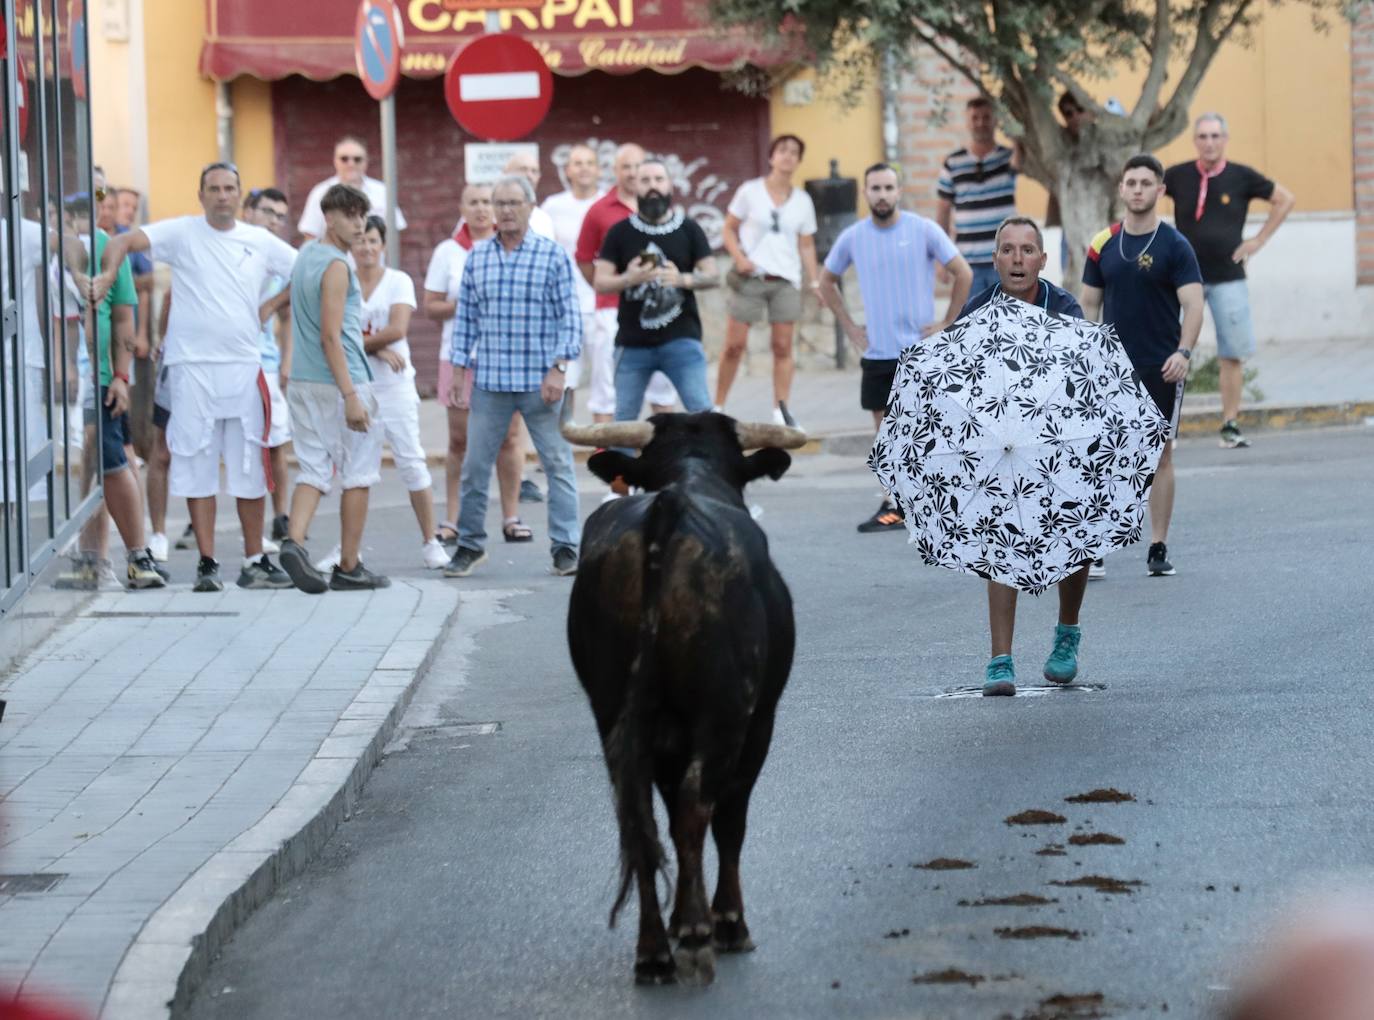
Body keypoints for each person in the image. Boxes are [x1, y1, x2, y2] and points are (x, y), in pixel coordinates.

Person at [96, 162, 297, 592]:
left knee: (249, 467)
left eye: (230, 188)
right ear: (201, 194)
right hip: (191, 369)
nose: (223, 195)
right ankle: (208, 563)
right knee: (195, 462)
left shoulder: (259, 241)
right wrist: (111, 271)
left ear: (240, 195)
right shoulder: (182, 233)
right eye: (214, 189)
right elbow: (124, 239)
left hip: (244, 368)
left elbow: (309, 273)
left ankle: (254, 560)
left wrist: (272, 304)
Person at [955, 217, 1087, 696]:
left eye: (1027, 250)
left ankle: (1067, 633)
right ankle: (1000, 660)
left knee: (1077, 535)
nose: (1016, 258)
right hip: (1001, 446)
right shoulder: (976, 311)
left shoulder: (1065, 308)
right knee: (999, 544)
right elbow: (960, 382)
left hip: (1059, 441)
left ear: (1042, 260)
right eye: (1007, 250)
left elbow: (1082, 378)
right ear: (994, 260)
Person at [817, 162, 973, 533]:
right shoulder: (853, 237)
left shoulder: (923, 230)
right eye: (875, 188)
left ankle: (939, 504)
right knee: (886, 435)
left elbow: (963, 273)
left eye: (889, 188)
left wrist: (949, 322)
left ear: (899, 192)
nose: (882, 195)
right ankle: (894, 506)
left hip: (920, 354)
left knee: (928, 432)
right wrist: (851, 327)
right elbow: (826, 282)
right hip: (878, 355)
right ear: (865, 193)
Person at [444, 175, 582, 579]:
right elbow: (466, 319)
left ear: (529, 207)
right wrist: (457, 371)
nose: (504, 210)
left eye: (512, 203)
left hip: (541, 383)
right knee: (473, 467)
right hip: (490, 382)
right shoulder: (478, 256)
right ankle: (469, 546)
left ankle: (565, 546)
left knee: (558, 466)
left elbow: (569, 319)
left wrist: (559, 369)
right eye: (498, 202)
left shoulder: (552, 256)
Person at [1080, 154, 1205, 579]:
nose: (1137, 189)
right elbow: (1088, 305)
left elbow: (1193, 304)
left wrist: (1183, 353)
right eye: (1130, 182)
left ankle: (1157, 545)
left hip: (1160, 366)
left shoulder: (1175, 246)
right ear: (1121, 189)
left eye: (1145, 183)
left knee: (1159, 457)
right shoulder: (1102, 243)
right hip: (1111, 370)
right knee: (1102, 456)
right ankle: (1095, 545)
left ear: (1159, 191)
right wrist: (1087, 353)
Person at [278, 184, 389, 593]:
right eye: (350, 216)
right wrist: (351, 396)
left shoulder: (306, 255)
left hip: (304, 380)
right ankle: (349, 565)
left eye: (362, 215)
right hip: (340, 379)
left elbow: (294, 311)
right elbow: (331, 336)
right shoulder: (337, 266)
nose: (359, 224)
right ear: (329, 217)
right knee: (358, 473)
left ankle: (294, 542)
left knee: (312, 468)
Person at [1164, 113, 1296, 449]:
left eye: (1215, 136)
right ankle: (1167, 427)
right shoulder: (1178, 175)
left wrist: (1258, 241)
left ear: (1225, 139)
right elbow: (1144, 197)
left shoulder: (1241, 176)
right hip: (1184, 279)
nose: (1209, 142)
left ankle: (1230, 425)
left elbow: (1286, 199)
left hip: (1228, 276)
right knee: (1171, 352)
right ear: (1195, 141)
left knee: (1232, 353)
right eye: (1203, 136)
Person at [64, 201, 165, 589]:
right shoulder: (58, 250)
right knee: (97, 465)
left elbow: (124, 315)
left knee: (112, 464)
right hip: (75, 377)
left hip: (102, 378)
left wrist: (120, 376)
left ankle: (137, 558)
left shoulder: (110, 249)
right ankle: (93, 560)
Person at [423, 184, 527, 545]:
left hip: (505, 355)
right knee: (459, 441)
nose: (482, 209)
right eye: (474, 202)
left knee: (509, 438)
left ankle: (511, 516)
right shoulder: (448, 252)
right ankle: (453, 518)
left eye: (488, 202)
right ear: (462, 208)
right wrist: (467, 303)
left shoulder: (512, 248)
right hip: (459, 356)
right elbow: (431, 306)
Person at [345, 215, 448, 569]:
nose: (367, 247)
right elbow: (334, 336)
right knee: (357, 467)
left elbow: (397, 329)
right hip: (357, 386)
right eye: (360, 240)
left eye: (373, 240)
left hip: (395, 387)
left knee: (411, 461)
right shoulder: (343, 282)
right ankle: (349, 551)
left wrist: (364, 344)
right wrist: (374, 349)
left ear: (383, 245)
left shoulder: (398, 281)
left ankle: (431, 541)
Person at [593, 158, 718, 422]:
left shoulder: (689, 229)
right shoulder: (619, 232)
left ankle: (712, 464)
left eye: (659, 180)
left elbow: (713, 276)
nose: (653, 187)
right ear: (635, 187)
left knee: (703, 413)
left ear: (670, 185)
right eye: (645, 180)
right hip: (632, 344)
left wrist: (682, 279)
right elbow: (600, 281)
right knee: (624, 422)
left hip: (682, 340)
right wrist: (629, 277)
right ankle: (620, 465)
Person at [715, 134, 820, 427]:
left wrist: (814, 282)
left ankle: (780, 410)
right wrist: (738, 257)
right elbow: (728, 228)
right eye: (782, 150)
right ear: (771, 157)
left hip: (785, 279)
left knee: (783, 347)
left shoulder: (803, 201)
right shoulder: (750, 191)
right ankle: (718, 406)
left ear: (799, 161)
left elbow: (807, 244)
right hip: (751, 276)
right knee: (734, 344)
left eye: (794, 152)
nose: (788, 156)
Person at [575, 143, 676, 425]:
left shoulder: (662, 207)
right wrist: (609, 284)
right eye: (626, 167)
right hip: (611, 310)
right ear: (615, 171)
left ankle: (664, 456)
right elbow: (584, 259)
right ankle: (607, 458)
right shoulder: (599, 211)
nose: (632, 173)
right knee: (607, 386)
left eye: (637, 167)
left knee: (662, 387)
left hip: (656, 310)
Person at [242, 187, 295, 551]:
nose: (273, 220)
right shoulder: (235, 248)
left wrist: (288, 361)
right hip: (231, 361)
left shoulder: (281, 258)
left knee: (276, 441)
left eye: (279, 215)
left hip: (269, 362)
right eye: (267, 212)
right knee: (236, 445)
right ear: (249, 211)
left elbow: (288, 315)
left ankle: (281, 517)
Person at [540, 142, 602, 416]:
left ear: (598, 170)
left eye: (589, 162)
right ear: (567, 170)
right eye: (578, 163)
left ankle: (608, 449)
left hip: (602, 305)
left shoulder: (607, 204)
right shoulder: (553, 206)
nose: (584, 168)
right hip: (565, 307)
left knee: (606, 381)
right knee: (565, 380)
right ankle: (561, 450)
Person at [936, 96, 1020, 297]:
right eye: (975, 118)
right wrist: (941, 259)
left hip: (1004, 262)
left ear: (995, 121)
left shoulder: (1008, 158)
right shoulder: (953, 163)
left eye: (986, 117)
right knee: (972, 326)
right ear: (967, 122)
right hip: (967, 266)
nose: (980, 123)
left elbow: (1022, 159)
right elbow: (943, 213)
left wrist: (1015, 129)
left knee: (1009, 325)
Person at [297, 136, 406, 242]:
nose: (351, 164)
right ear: (335, 160)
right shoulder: (320, 192)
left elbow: (394, 233)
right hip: (333, 259)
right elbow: (311, 236)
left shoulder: (382, 191)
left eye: (357, 159)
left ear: (366, 161)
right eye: (344, 159)